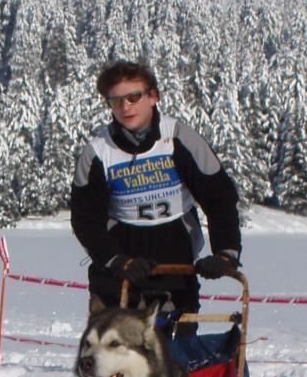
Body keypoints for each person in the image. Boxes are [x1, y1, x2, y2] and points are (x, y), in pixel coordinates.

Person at [70, 60, 242, 335]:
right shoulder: (98, 151)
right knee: (112, 358)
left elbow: (219, 197)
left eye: (133, 97)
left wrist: (225, 253)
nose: (125, 107)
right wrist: (114, 259)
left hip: (174, 257)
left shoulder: (179, 138)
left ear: (153, 96)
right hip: (118, 260)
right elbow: (85, 218)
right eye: (116, 101)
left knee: (175, 356)